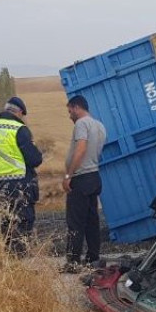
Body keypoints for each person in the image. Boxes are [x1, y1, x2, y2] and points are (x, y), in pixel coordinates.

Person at [0, 96, 43, 256]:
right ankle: (18, 263)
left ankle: (3, 261)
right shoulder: (19, 129)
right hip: (19, 185)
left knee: (2, 226)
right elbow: (35, 159)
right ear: (19, 112)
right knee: (21, 226)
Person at [62, 95, 106, 272]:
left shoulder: (81, 124)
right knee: (91, 221)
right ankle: (93, 258)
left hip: (81, 178)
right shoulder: (99, 125)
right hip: (94, 177)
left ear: (76, 107)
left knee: (75, 222)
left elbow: (81, 148)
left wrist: (68, 175)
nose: (69, 115)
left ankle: (73, 262)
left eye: (70, 110)